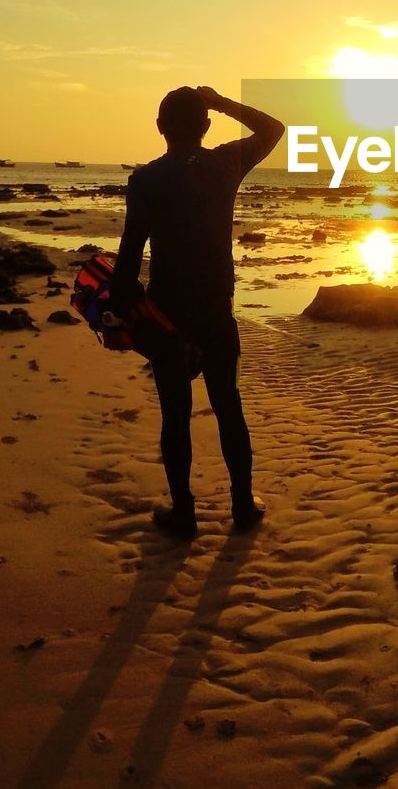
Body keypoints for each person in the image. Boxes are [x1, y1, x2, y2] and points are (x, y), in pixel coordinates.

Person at [111, 85, 285, 540]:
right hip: (216, 312)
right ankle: (243, 506)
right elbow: (274, 128)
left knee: (175, 415)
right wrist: (223, 101)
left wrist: (118, 310)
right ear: (206, 126)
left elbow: (129, 257)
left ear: (160, 128)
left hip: (167, 317)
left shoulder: (146, 180)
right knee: (228, 407)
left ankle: (184, 514)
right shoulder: (224, 164)